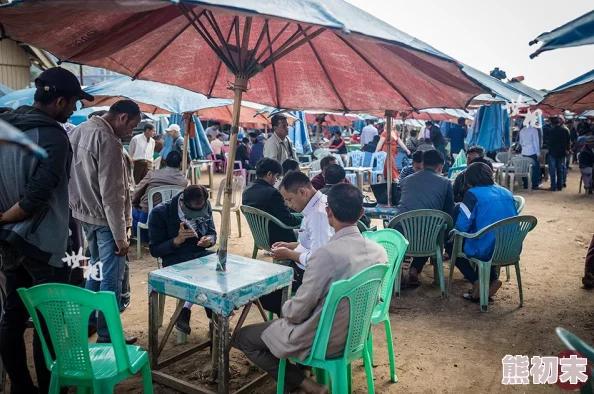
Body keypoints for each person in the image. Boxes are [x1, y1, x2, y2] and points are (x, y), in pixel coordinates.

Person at [235, 183, 388, 394]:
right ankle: (305, 378)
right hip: (357, 335)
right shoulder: (379, 252)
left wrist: (285, 307)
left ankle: (307, 385)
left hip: (323, 340)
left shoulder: (326, 255)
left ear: (329, 212)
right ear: (362, 213)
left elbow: (297, 313)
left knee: (244, 337)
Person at [0, 67, 92, 394]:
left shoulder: (8, 125)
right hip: (43, 245)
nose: (74, 110)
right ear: (59, 101)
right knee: (48, 325)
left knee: (12, 318)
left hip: (10, 244)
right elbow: (36, 198)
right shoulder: (54, 136)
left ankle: (22, 388)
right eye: (73, 104)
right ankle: (52, 389)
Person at [69, 99, 141, 345]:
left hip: (84, 214)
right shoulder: (108, 141)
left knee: (95, 270)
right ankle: (107, 334)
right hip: (105, 219)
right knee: (111, 277)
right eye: (132, 126)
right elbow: (113, 195)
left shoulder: (80, 130)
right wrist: (121, 235)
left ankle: (88, 322)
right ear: (122, 118)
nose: (131, 131)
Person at [260, 171, 334, 316]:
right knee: (264, 278)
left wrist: (289, 254)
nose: (288, 205)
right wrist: (290, 245)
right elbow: (311, 244)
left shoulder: (318, 214)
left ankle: (292, 324)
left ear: (302, 192)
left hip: (311, 276)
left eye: (289, 199)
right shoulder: (314, 206)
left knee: (264, 291)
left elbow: (317, 260)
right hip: (303, 267)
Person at [148, 185, 217, 335]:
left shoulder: (206, 205)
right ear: (182, 203)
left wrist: (209, 240)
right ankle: (214, 320)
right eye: (193, 210)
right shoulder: (160, 213)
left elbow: (212, 233)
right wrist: (176, 241)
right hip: (174, 260)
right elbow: (155, 250)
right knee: (204, 275)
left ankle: (185, 310)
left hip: (199, 255)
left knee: (218, 267)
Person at [453, 163, 516, 302]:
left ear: (468, 179)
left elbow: (462, 226)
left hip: (486, 248)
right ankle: (492, 280)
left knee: (452, 247)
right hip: (510, 247)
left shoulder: (472, 195)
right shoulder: (506, 192)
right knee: (489, 238)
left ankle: (476, 282)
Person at [396, 149, 454, 285]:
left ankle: (398, 274)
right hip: (427, 236)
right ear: (441, 165)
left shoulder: (406, 180)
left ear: (422, 164)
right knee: (432, 230)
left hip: (401, 232)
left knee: (424, 227)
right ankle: (415, 269)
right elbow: (448, 213)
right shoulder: (446, 183)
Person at [242, 158, 302, 246]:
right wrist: (303, 219)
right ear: (269, 174)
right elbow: (288, 220)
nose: (276, 180)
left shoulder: (246, 191)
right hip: (280, 240)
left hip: (260, 238)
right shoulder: (273, 193)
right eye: (277, 177)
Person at [132, 150, 189, 239]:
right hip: (170, 220)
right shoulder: (183, 181)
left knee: (131, 211)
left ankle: (139, 239)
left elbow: (137, 191)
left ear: (165, 161)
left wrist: (135, 203)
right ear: (180, 164)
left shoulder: (153, 174)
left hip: (147, 217)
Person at [548, 116, 571, 191]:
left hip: (552, 153)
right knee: (560, 169)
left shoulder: (550, 131)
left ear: (552, 123)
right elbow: (568, 142)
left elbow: (548, 142)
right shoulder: (565, 131)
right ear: (559, 122)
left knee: (552, 170)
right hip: (562, 153)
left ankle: (553, 186)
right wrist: (568, 150)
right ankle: (560, 186)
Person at [518, 122, 542, 190]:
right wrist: (538, 154)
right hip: (532, 152)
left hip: (524, 152)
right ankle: (535, 185)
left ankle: (525, 184)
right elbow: (536, 143)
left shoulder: (522, 130)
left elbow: (520, 142)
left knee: (524, 168)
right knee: (535, 169)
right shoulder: (534, 130)